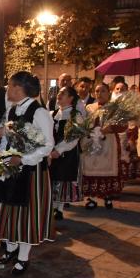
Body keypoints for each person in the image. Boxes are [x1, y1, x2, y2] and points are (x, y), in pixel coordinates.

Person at [0, 71, 55, 275]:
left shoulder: (39, 112)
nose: (7, 89)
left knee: (26, 215)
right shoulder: (13, 109)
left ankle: (23, 258)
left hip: (31, 172)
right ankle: (10, 249)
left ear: (18, 88)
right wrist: (3, 157)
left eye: (9, 86)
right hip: (11, 167)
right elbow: (8, 136)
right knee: (8, 210)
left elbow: (47, 145)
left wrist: (23, 159)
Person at [81, 83, 126, 209]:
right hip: (91, 143)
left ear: (109, 92)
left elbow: (124, 125)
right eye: (97, 91)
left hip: (109, 144)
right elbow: (82, 124)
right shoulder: (89, 107)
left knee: (108, 169)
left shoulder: (115, 108)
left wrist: (110, 128)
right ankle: (91, 198)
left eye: (103, 91)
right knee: (90, 169)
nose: (99, 94)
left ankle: (107, 196)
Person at [50, 87, 84, 220]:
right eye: (59, 93)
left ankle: (59, 208)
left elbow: (73, 138)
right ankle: (52, 206)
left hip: (67, 153)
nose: (59, 95)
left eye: (63, 93)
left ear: (71, 98)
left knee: (63, 177)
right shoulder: (52, 114)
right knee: (53, 178)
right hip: (52, 152)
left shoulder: (76, 115)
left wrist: (59, 150)